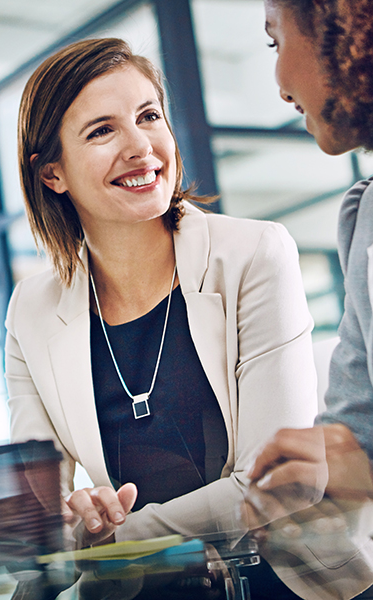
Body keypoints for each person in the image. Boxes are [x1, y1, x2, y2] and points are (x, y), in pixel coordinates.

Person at [6, 37, 318, 598]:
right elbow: (39, 515)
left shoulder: (255, 254)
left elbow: (281, 486)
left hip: (280, 581)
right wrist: (77, 519)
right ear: (52, 174)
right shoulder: (32, 311)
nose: (140, 146)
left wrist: (116, 543)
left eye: (148, 116)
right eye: (102, 130)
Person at [241, 0, 373, 598]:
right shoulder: (364, 216)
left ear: (339, 29)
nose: (279, 82)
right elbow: (354, 437)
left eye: (276, 41)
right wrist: (312, 513)